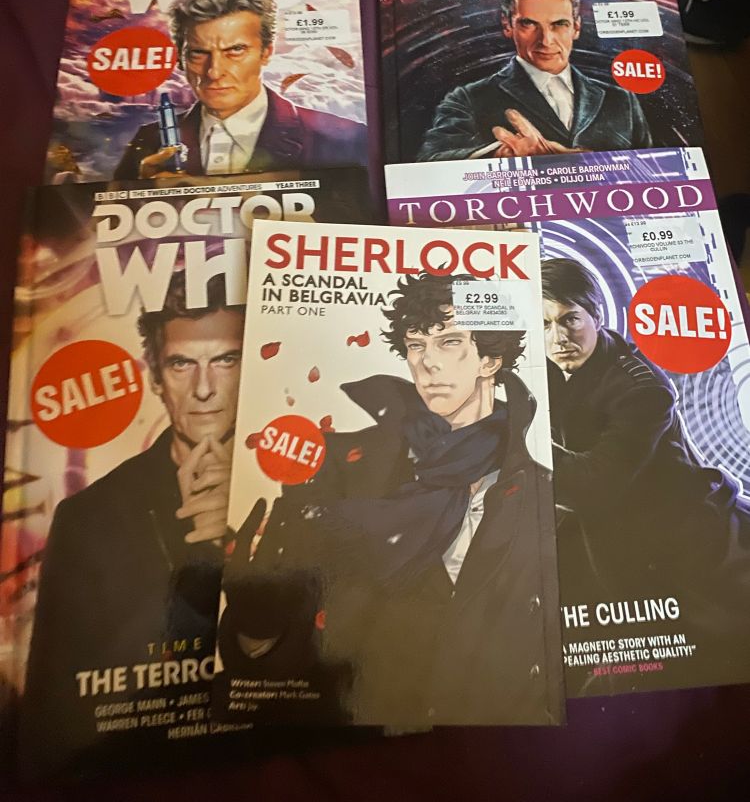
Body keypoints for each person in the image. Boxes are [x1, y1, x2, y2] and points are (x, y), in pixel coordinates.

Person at [218, 272, 560, 726]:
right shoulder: (341, 466)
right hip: (364, 732)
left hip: (494, 738)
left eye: (449, 342)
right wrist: (256, 627)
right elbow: (291, 669)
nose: (427, 363)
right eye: (416, 345)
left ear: (490, 359)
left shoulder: (543, 490)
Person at [20, 271, 244, 776]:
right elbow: (56, 715)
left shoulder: (314, 480)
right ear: (155, 378)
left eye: (225, 360)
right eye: (182, 363)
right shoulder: (88, 518)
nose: (204, 389)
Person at [541, 257, 750, 688]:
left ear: (596, 315)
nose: (558, 337)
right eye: (543, 323)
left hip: (683, 544)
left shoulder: (642, 389)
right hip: (607, 536)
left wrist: (515, 440)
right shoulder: (548, 362)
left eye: (569, 319)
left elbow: (592, 485)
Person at [113, 0, 367, 179]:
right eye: (199, 53)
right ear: (181, 58)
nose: (214, 72)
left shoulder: (345, 139)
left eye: (235, 50)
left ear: (266, 53)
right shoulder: (148, 141)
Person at [418, 0, 652, 161]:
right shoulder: (468, 99)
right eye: (529, 24)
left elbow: (653, 170)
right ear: (508, 26)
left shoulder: (621, 101)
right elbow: (430, 162)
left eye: (559, 24)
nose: (546, 41)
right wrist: (499, 156)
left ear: (576, 27)